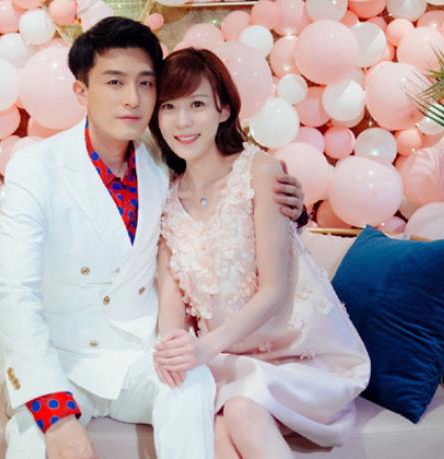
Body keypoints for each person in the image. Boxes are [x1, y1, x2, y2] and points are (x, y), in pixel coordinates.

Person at [0, 17, 307, 459]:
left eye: (145, 83)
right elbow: (13, 293)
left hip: (135, 353)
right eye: (114, 82)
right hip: (59, 355)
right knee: (32, 441)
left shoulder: (165, 157)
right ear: (81, 92)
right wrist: (56, 415)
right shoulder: (36, 167)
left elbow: (222, 190)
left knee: (192, 380)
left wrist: (292, 204)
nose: (132, 99)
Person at [151, 48, 371, 459]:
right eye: (169, 107)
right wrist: (173, 349)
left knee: (241, 408)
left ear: (223, 109)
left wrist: (204, 348)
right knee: (219, 429)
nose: (182, 121)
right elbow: (171, 305)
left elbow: (274, 290)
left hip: (300, 356)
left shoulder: (259, 172)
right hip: (230, 360)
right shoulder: (166, 198)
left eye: (197, 104)